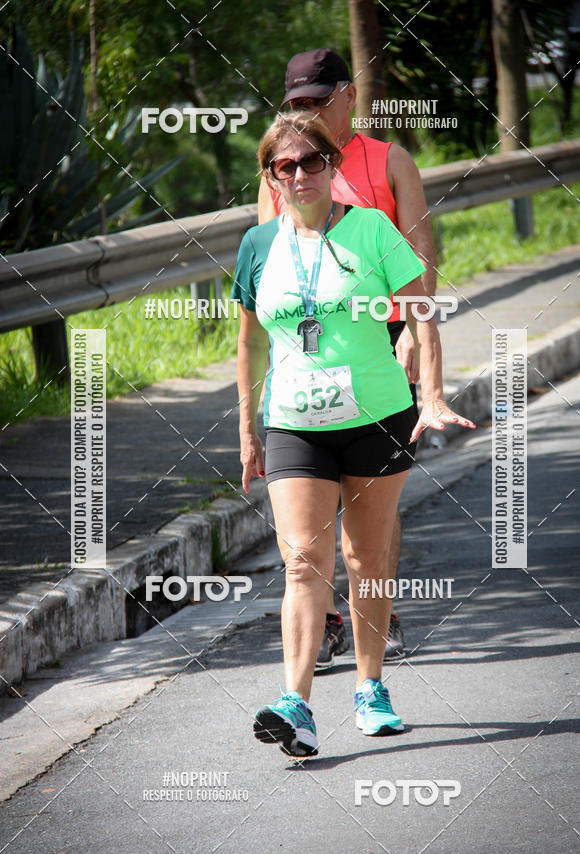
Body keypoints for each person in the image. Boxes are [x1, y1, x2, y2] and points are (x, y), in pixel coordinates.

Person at [233, 112, 474, 757]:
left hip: (377, 417)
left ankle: (370, 687)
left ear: (333, 167)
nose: (301, 174)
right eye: (286, 166)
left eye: (313, 161)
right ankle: (298, 704)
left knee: (366, 559)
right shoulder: (258, 246)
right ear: (270, 178)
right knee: (303, 563)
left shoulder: (370, 229)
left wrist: (435, 394)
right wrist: (248, 433)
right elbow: (250, 344)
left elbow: (421, 311)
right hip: (293, 424)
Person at [258, 48, 437, 666]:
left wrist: (414, 332)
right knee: (309, 506)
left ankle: (377, 614)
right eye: (296, 104)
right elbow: (268, 258)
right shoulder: (280, 167)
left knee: (370, 503)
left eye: (316, 100)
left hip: (381, 338)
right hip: (309, 348)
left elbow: (418, 254)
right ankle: (329, 617)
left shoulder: (389, 160)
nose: (306, 112)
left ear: (348, 96)